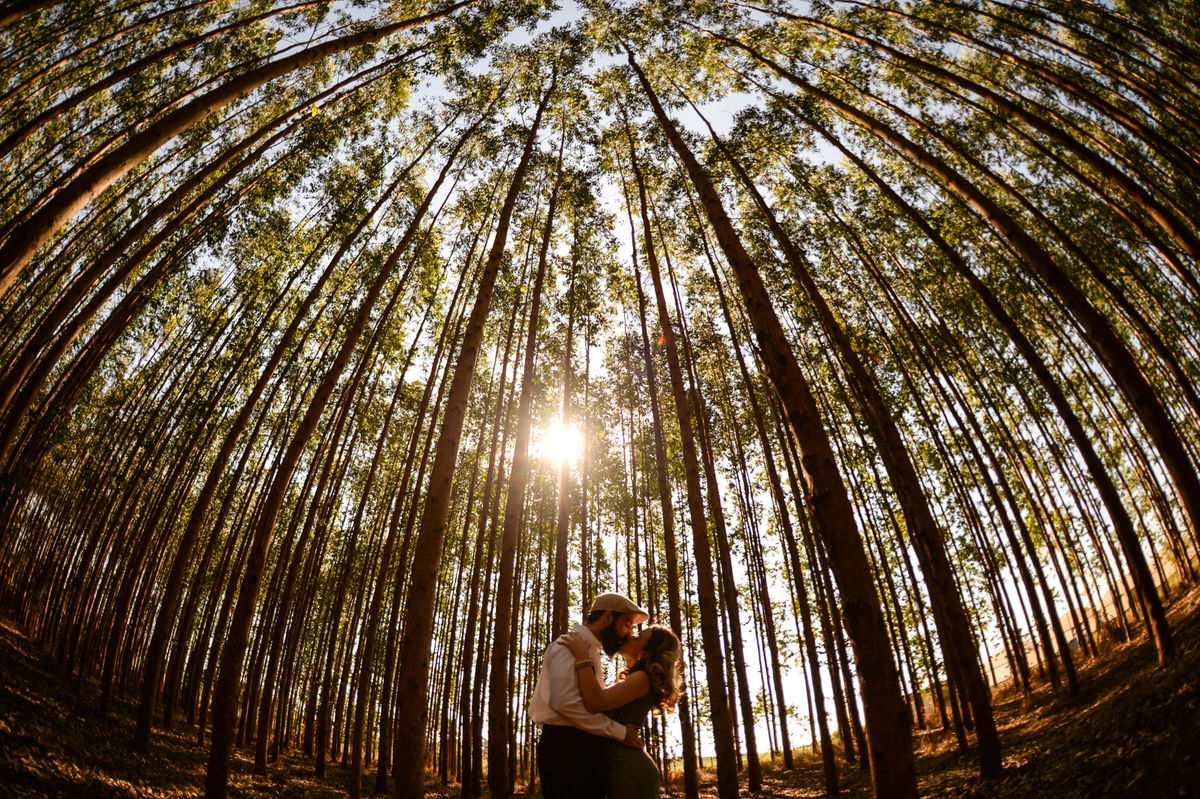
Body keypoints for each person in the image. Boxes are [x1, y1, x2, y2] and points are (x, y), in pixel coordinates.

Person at [529, 592, 649, 799]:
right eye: (628, 624)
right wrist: (620, 732)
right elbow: (564, 704)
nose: (630, 633)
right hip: (566, 749)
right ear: (608, 617)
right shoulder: (568, 645)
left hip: (580, 746)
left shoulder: (588, 649)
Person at [560, 623, 683, 799]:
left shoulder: (642, 678)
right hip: (621, 768)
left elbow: (595, 702)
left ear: (646, 653)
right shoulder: (637, 677)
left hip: (630, 770)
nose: (630, 636)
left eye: (638, 637)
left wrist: (582, 656)